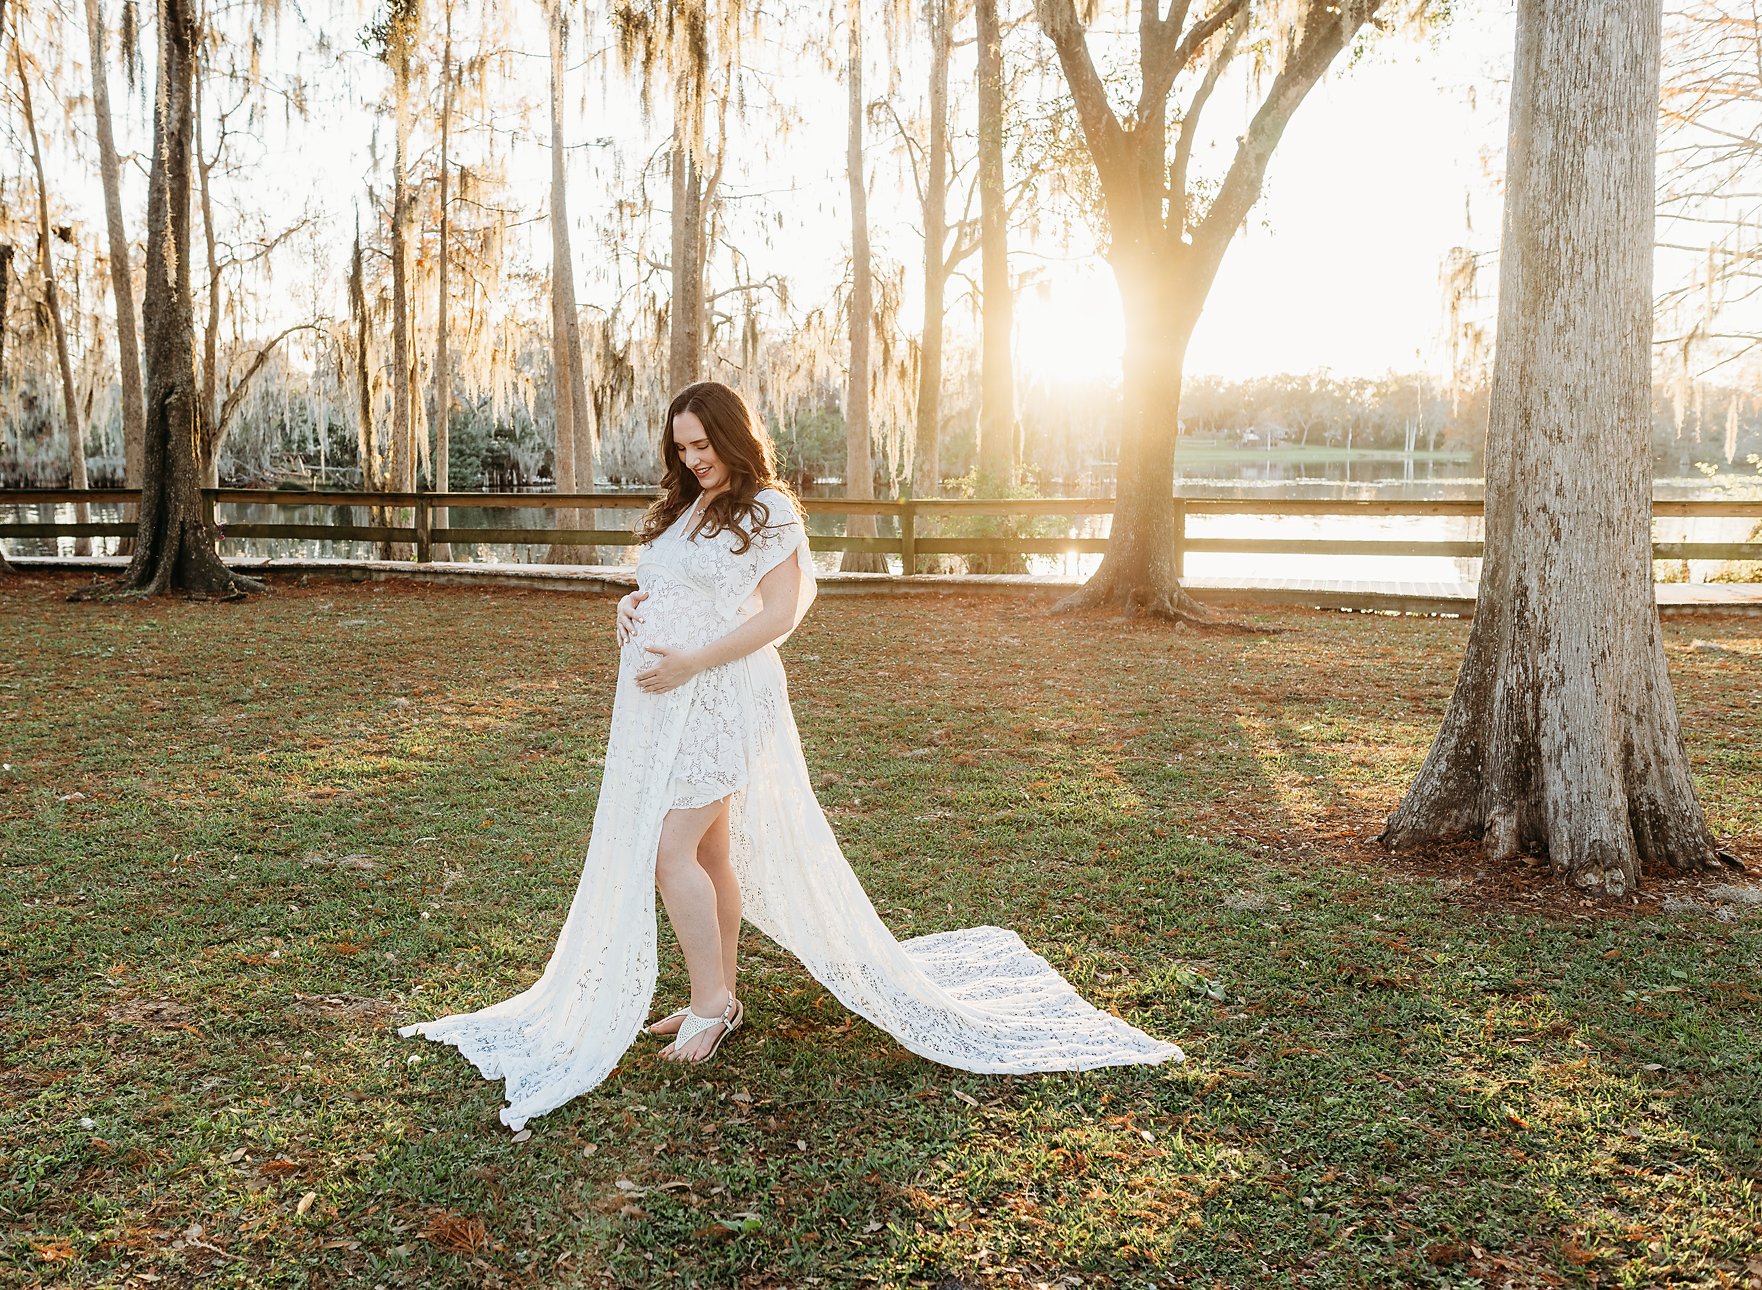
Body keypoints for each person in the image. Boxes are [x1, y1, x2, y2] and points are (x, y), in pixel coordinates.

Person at [401, 382, 1181, 1129]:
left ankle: (711, 1005)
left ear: (733, 435)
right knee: (706, 848)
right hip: (661, 699)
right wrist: (631, 603)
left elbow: (779, 614)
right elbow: (671, 582)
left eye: (704, 443)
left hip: (719, 694)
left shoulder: (769, 509)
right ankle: (721, 991)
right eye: (682, 446)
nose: (694, 458)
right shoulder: (689, 504)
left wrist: (692, 659)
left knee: (669, 850)